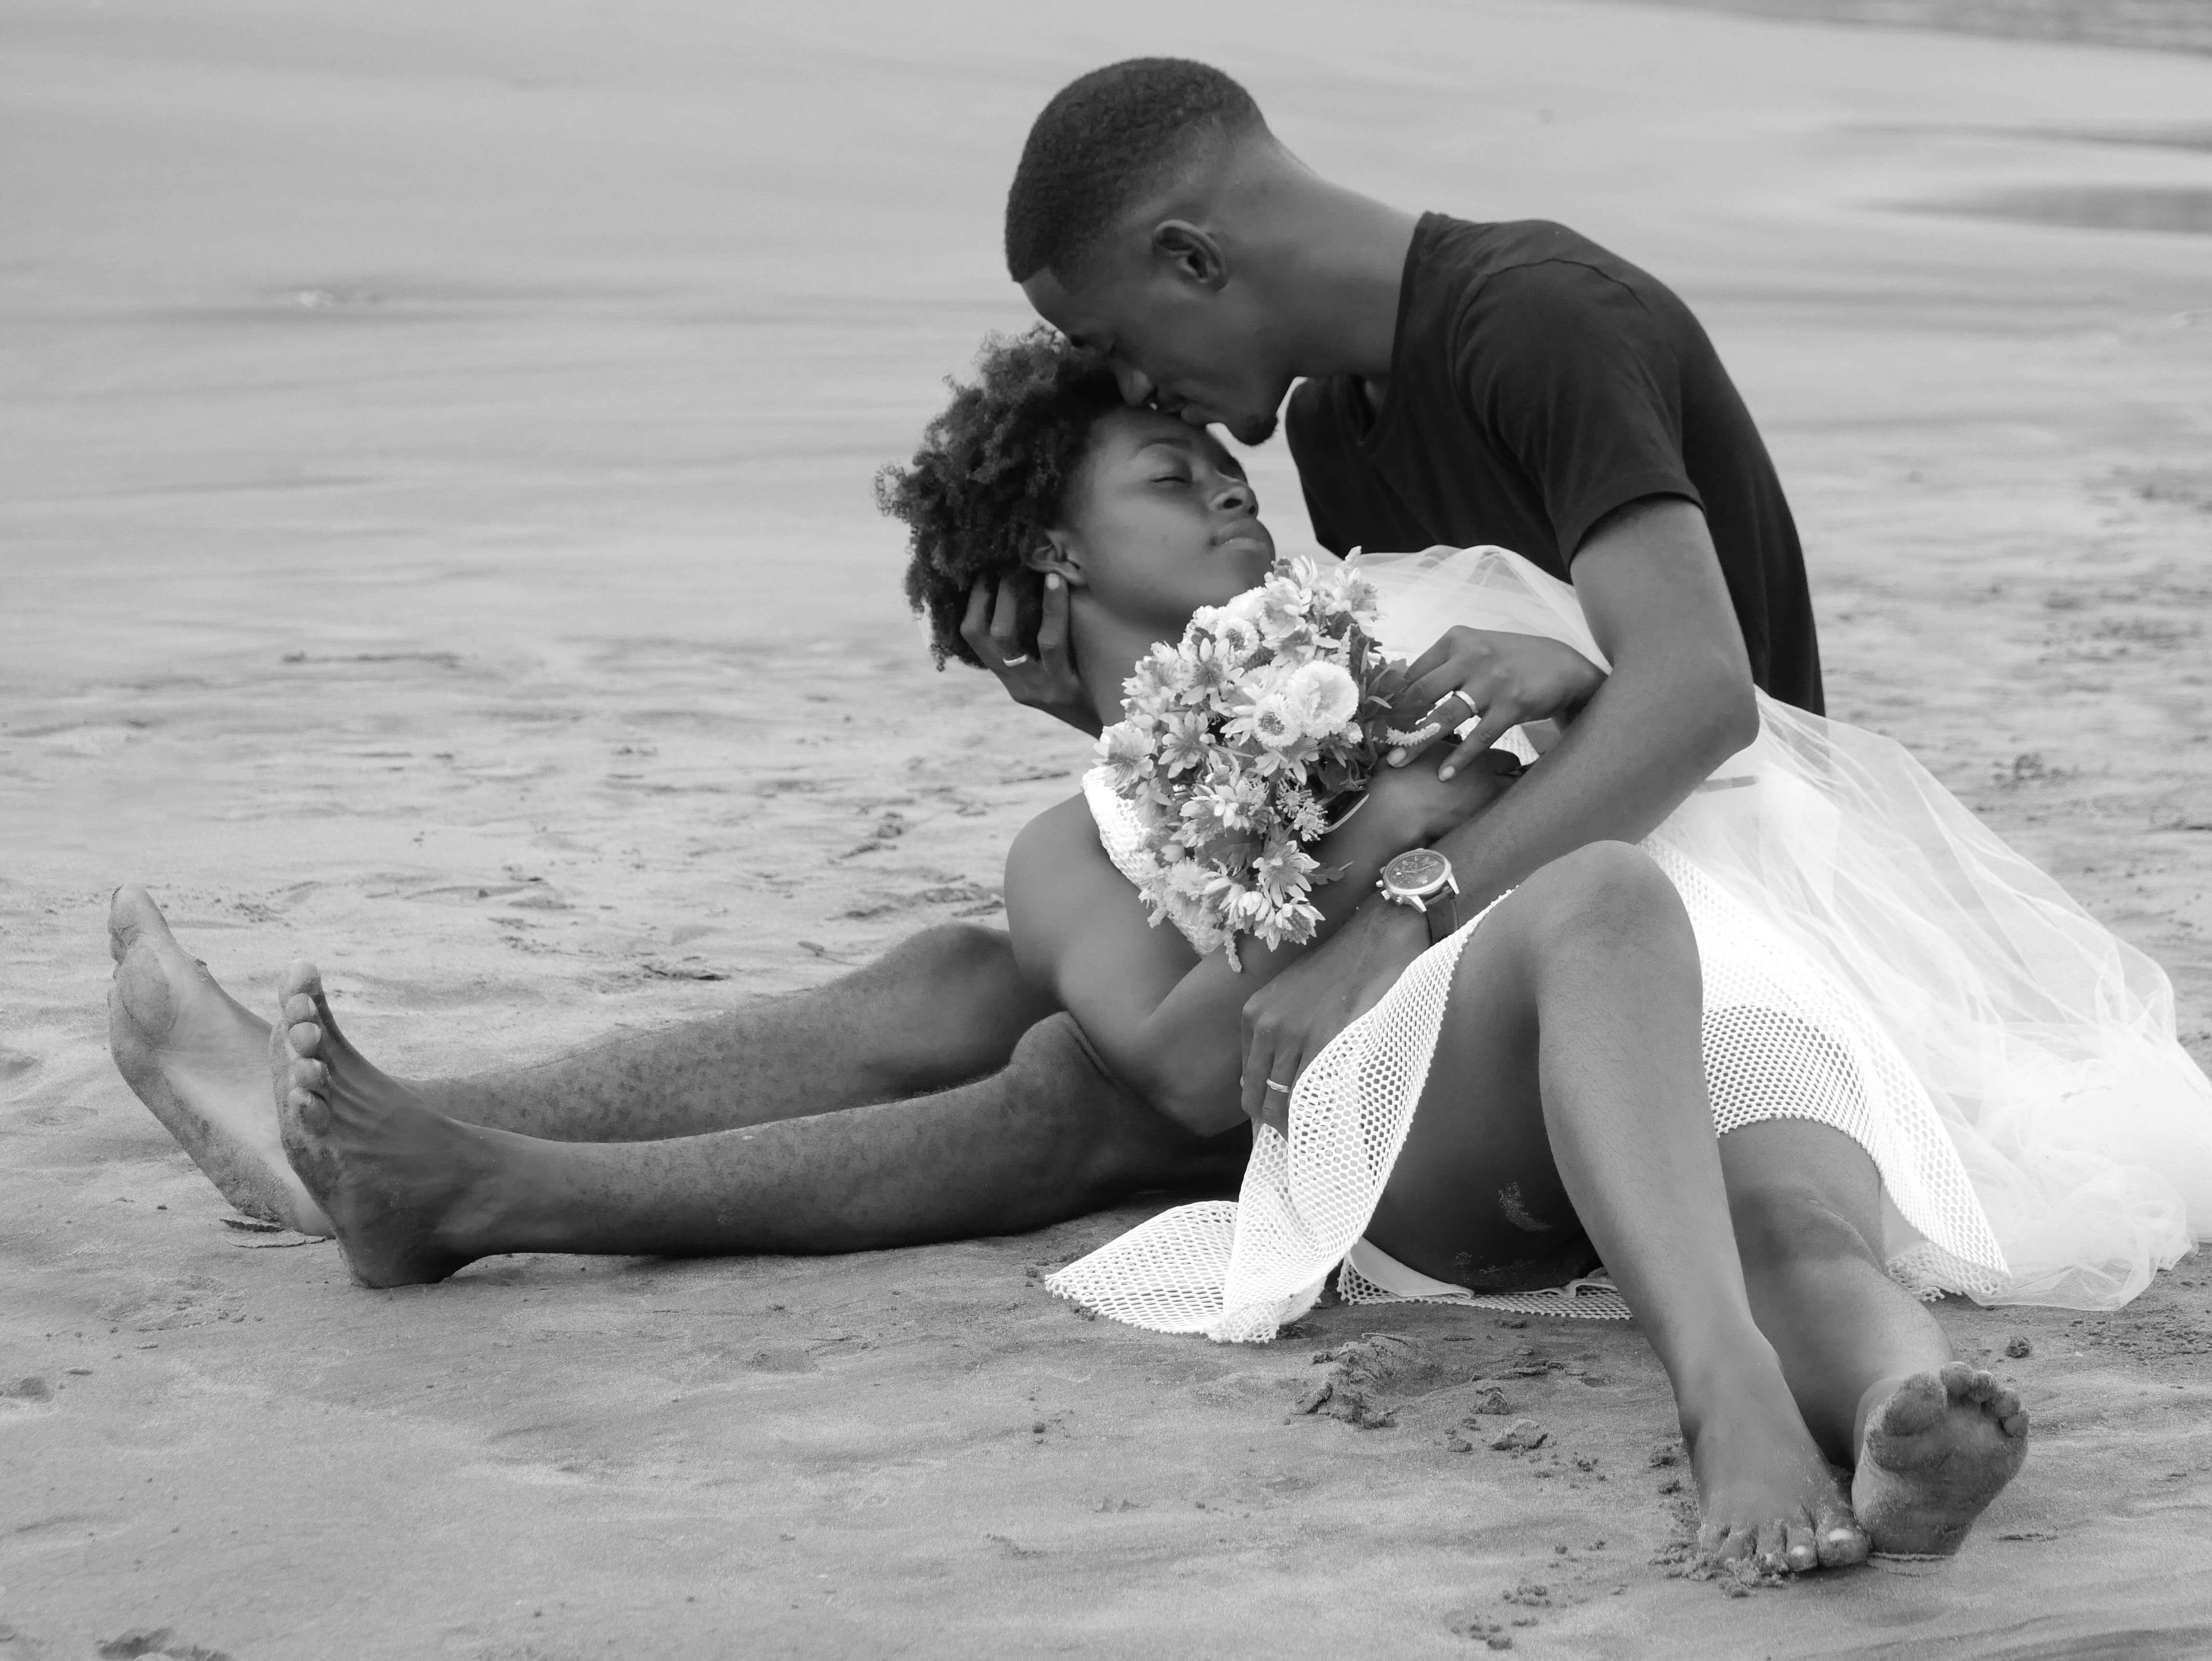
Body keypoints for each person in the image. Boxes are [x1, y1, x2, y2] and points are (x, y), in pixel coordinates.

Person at [116, 331, 2094, 1570]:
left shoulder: (1403, 622)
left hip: (1680, 997)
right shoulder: (1080, 836)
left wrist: (1550, 685)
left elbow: (1675, 744)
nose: (1233, 492)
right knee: (1038, 990)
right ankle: (436, 1162)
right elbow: (1173, 1055)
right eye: (1171, 476)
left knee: (1779, 1185)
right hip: (1467, 1071)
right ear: (1057, 557)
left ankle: (1897, 1421)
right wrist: (1397, 835)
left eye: (1228, 470)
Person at [989, 56, 1820, 1107]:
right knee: (995, 1002)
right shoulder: (1333, 432)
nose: (1135, 390)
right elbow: (1423, 753)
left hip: (1730, 905)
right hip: (1517, 921)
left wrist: (1401, 915)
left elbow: (1698, 697)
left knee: (1074, 1095)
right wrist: (1111, 718)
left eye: (1115, 344)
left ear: (1193, 257)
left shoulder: (1541, 321)